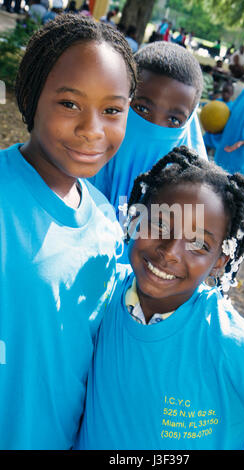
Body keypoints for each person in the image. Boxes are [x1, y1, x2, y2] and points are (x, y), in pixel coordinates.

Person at [75, 146, 244, 450]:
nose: (169, 251)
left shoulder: (228, 342)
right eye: (160, 224)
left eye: (198, 243)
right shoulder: (104, 291)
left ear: (220, 260)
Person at [0, 13, 137, 450]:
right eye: (70, 104)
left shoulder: (106, 225)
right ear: (31, 95)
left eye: (112, 110)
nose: (92, 129)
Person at [90, 41, 207, 238]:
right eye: (142, 109)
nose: (155, 127)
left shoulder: (194, 196)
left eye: (173, 120)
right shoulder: (79, 156)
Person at [203, 81, 234, 153]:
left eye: (228, 92)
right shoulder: (216, 102)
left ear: (231, 93)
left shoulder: (232, 107)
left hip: (220, 137)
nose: (225, 94)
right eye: (224, 91)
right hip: (209, 135)